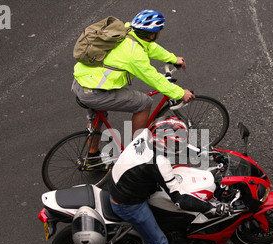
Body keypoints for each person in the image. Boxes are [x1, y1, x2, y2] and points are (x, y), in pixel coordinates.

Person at [108, 116, 224, 244]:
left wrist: (209, 153)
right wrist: (209, 208)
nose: (179, 147)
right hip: (127, 203)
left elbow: (178, 144)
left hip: (121, 183)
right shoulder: (159, 162)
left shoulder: (146, 134)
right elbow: (179, 200)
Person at [71, 10, 195, 162]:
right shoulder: (133, 54)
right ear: (152, 34)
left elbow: (150, 47)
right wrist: (179, 93)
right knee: (144, 103)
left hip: (81, 82)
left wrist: (172, 58)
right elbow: (152, 77)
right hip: (95, 92)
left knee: (98, 115)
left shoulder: (128, 30)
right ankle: (136, 152)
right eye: (159, 31)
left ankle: (92, 157)